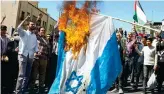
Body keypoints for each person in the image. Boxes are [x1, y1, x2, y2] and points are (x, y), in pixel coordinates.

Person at [15, 16, 38, 94]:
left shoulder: (34, 36)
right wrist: (25, 19)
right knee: (21, 75)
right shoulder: (23, 33)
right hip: (23, 55)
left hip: (30, 57)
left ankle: (23, 90)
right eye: (31, 24)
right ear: (28, 26)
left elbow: (35, 47)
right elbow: (18, 28)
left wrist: (36, 52)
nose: (33, 26)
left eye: (33, 25)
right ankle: (17, 92)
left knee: (27, 76)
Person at [29, 27, 48, 93]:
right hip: (36, 58)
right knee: (34, 75)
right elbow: (34, 28)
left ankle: (40, 89)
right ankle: (31, 89)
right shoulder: (36, 37)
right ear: (39, 31)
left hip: (44, 59)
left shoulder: (46, 39)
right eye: (42, 30)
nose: (43, 31)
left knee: (42, 75)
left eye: (44, 30)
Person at [1, 25, 11, 93]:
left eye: (4, 30)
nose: (3, 31)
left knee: (3, 73)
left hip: (4, 56)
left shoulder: (7, 38)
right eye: (2, 30)